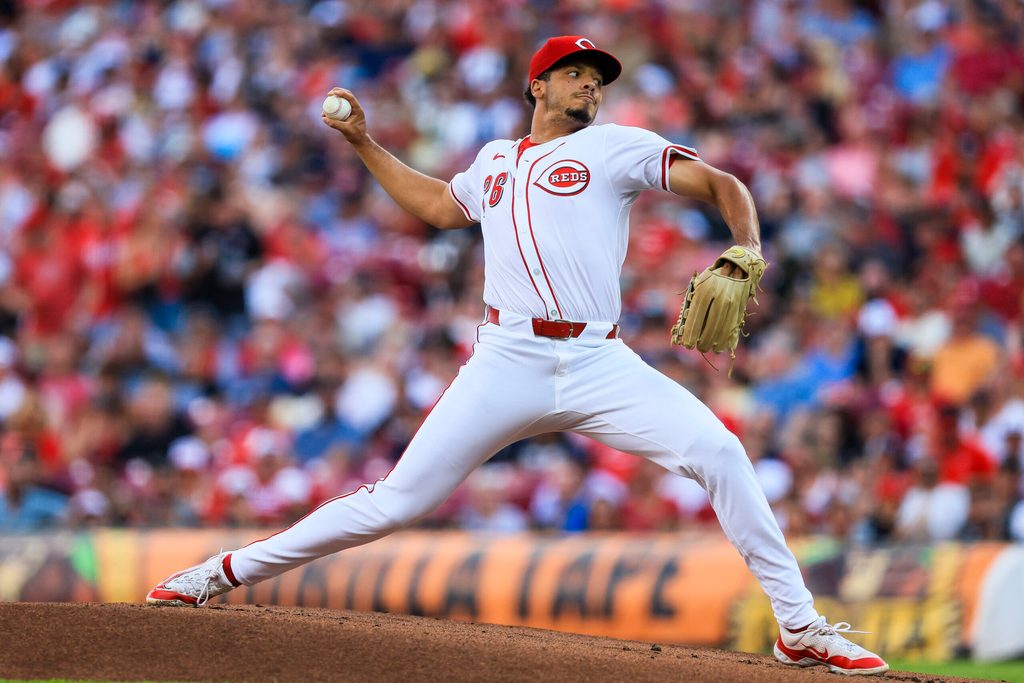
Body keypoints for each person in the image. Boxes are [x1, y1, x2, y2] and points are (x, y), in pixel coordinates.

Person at [147, 36, 888, 675]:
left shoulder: (615, 145)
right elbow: (441, 205)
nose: (590, 83)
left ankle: (799, 626)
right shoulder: (496, 160)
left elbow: (720, 182)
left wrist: (746, 245)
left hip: (601, 360)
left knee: (720, 451)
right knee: (396, 502)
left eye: (597, 75)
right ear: (537, 84)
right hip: (507, 357)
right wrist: (365, 146)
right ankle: (218, 572)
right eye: (574, 72)